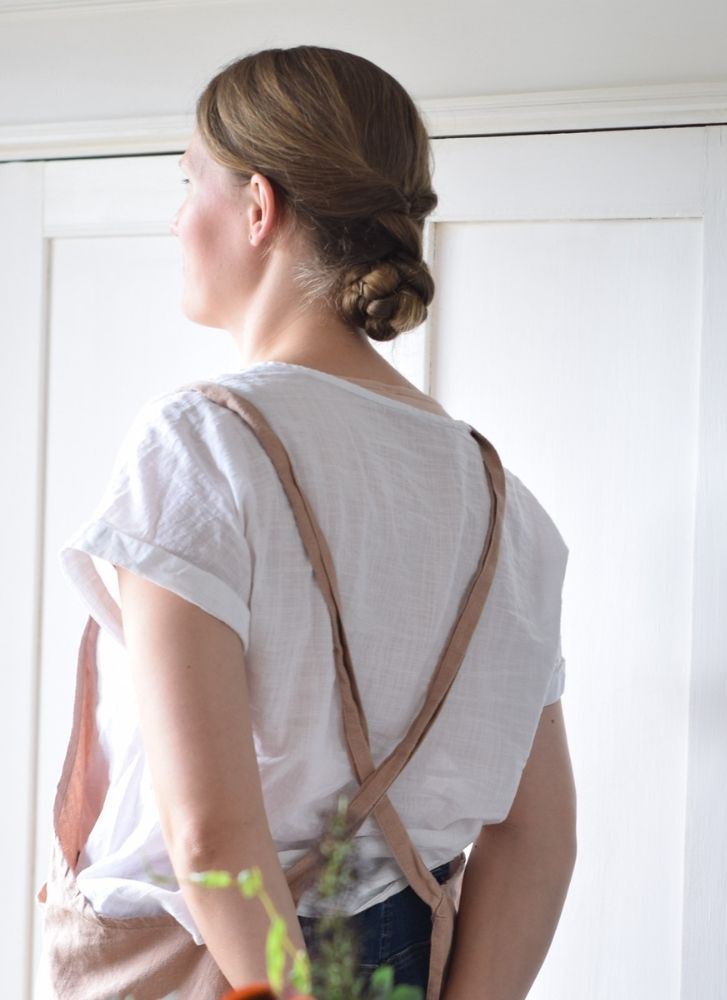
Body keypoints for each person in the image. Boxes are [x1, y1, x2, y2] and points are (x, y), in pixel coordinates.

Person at [45, 45, 575, 1000]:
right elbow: (541, 834)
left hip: (225, 971)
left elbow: (211, 836)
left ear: (258, 205)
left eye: (187, 183)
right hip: (406, 961)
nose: (175, 218)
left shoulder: (202, 443)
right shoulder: (504, 503)